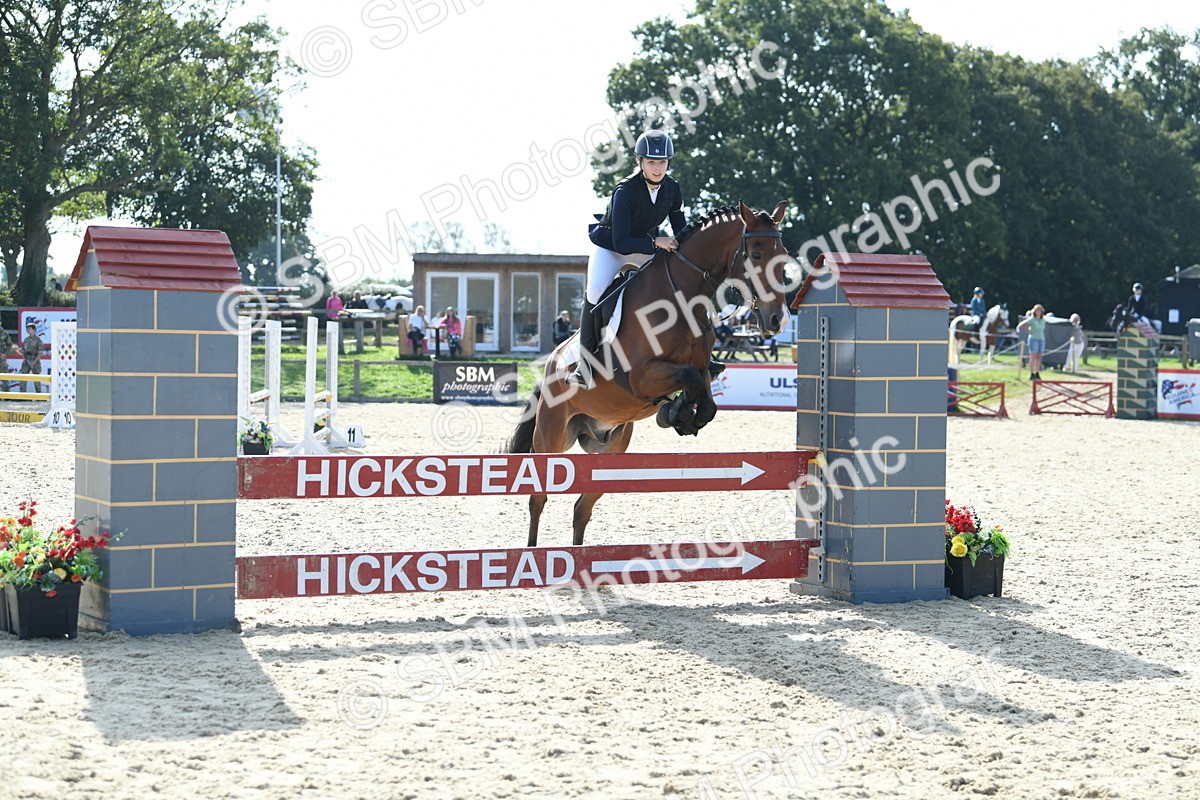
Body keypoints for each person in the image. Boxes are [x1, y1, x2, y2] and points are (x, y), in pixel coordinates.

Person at [569, 130, 711, 386]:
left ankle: (701, 353)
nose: (658, 168)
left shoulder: (672, 188)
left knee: (677, 284)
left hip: (646, 245)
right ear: (640, 162)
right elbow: (621, 242)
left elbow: (680, 227)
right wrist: (657, 241)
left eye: (662, 162)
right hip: (612, 247)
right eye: (651, 162)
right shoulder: (625, 191)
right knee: (595, 292)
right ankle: (585, 364)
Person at [1017, 304, 1047, 380]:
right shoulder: (1032, 319)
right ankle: (1032, 373)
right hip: (1034, 339)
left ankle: (1037, 372)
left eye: (1039, 310)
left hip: (1041, 339)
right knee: (1033, 356)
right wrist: (1028, 329)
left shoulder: (1043, 320)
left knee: (1039, 357)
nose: (1038, 312)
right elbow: (1021, 325)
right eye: (1037, 310)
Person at [18, 321, 43, 394]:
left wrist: (34, 362)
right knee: (23, 377)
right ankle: (22, 394)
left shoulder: (38, 340)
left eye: (30, 329)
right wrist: (24, 358)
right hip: (26, 360)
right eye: (27, 329)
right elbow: (22, 350)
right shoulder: (26, 340)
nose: (28, 330)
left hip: (35, 360)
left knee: (36, 379)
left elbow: (40, 352)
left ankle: (39, 395)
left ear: (34, 329)